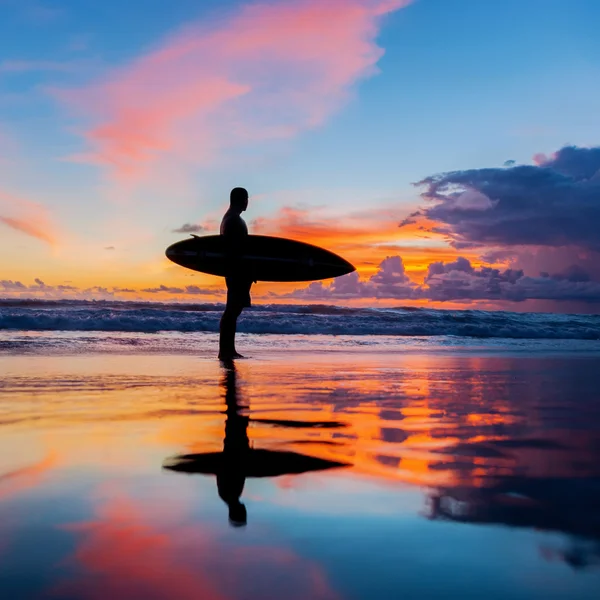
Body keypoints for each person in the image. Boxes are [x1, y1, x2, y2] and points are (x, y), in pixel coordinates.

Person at [219, 187, 253, 360]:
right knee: (232, 310)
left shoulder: (230, 218)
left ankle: (228, 350)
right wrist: (246, 271)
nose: (248, 202)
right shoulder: (233, 220)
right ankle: (226, 351)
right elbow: (235, 252)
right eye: (246, 199)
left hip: (235, 271)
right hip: (236, 272)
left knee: (233, 309)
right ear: (240, 199)